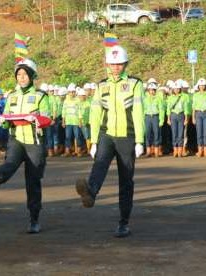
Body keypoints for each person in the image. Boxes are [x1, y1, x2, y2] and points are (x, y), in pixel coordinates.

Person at [75, 45, 144, 238]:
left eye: (119, 64)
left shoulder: (135, 84)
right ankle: (91, 192)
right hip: (106, 135)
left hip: (127, 137)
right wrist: (94, 140)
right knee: (99, 164)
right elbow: (95, 113)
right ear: (107, 64)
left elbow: (138, 112)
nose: (115, 68)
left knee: (126, 180)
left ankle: (124, 222)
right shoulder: (101, 85)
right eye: (112, 64)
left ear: (125, 64)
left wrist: (139, 140)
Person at [0, 59, 51, 234]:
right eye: (18, 75)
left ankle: (34, 219)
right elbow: (8, 119)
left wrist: (36, 119)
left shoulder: (41, 96)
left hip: (34, 143)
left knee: (33, 181)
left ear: (32, 76)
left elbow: (47, 118)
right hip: (16, 140)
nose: (21, 78)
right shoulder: (11, 96)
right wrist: (2, 121)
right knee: (10, 164)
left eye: (24, 74)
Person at [167, 81, 189, 157]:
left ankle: (180, 150)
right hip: (173, 115)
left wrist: (186, 119)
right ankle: (175, 150)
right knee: (174, 133)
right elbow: (168, 109)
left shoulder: (183, 97)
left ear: (180, 89)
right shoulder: (170, 97)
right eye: (175, 89)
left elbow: (186, 108)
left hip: (181, 115)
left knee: (180, 133)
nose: (176, 90)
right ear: (173, 89)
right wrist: (168, 119)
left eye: (178, 89)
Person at [192, 78, 206, 157]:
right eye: (200, 85)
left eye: (203, 85)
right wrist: (193, 118)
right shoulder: (195, 95)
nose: (202, 87)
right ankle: (200, 150)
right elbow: (193, 107)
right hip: (198, 114)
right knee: (199, 133)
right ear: (198, 86)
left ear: (205, 86)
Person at [143, 82, 164, 157]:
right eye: (150, 90)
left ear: (155, 90)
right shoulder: (145, 99)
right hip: (147, 117)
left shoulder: (158, 98)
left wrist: (161, 120)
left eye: (153, 90)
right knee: (147, 134)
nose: (152, 91)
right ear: (148, 90)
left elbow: (161, 109)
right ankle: (148, 151)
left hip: (155, 116)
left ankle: (156, 151)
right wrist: (143, 119)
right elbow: (143, 109)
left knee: (156, 134)